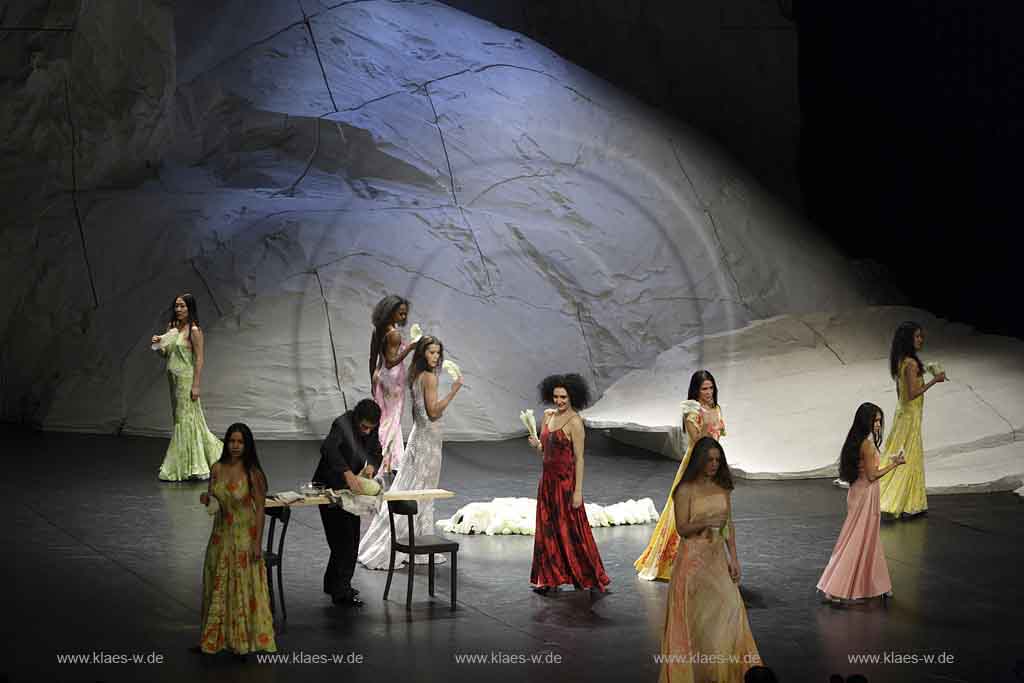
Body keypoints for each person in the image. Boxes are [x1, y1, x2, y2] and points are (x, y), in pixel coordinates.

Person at [659, 437, 761, 683]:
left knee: (730, 613)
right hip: (692, 564)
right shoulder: (684, 490)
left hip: (717, 562)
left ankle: (727, 673)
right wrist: (705, 522)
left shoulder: (722, 487)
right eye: (709, 460)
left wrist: (733, 558)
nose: (714, 464)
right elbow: (682, 528)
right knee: (695, 624)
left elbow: (728, 526)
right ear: (699, 461)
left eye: (717, 459)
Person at [358, 335, 462, 569]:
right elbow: (434, 412)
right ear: (423, 353)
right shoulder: (429, 378)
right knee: (423, 490)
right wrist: (454, 391)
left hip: (419, 436)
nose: (435, 357)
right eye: (431, 352)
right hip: (428, 440)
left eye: (438, 353)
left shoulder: (414, 375)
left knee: (410, 487)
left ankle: (415, 539)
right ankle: (419, 544)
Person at [636, 370, 726, 580]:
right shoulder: (692, 412)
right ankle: (678, 560)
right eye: (704, 388)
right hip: (695, 464)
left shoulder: (717, 408)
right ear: (696, 390)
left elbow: (717, 438)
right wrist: (698, 417)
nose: (708, 392)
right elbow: (698, 441)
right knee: (688, 511)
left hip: (713, 462)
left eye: (711, 387)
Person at [198, 424, 276, 655]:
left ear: (247, 445)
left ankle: (244, 639)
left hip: (244, 537)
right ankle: (216, 637)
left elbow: (260, 509)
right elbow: (214, 500)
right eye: (232, 441)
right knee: (218, 586)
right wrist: (207, 498)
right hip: (220, 538)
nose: (235, 446)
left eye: (240, 442)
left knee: (242, 588)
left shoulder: (253, 474)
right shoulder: (217, 468)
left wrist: (257, 543)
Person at [527, 373, 610, 594]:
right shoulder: (547, 416)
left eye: (563, 396)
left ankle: (588, 575)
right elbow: (546, 452)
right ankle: (549, 577)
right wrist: (537, 444)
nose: (559, 401)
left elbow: (579, 458)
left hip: (565, 484)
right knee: (547, 530)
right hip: (547, 482)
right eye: (556, 396)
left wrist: (578, 491)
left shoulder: (575, 422)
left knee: (572, 531)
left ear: (572, 396)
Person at [817, 403, 905, 603]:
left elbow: (865, 470)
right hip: (866, 496)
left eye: (879, 420)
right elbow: (873, 475)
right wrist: (895, 464)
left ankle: (881, 585)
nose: (878, 424)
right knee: (858, 541)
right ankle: (834, 588)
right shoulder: (867, 444)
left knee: (867, 540)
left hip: (858, 492)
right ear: (866, 421)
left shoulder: (856, 441)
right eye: (875, 420)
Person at [314, 399, 384, 606]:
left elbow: (375, 451)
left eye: (370, 429)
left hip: (349, 490)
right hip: (329, 484)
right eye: (363, 427)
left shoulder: (371, 428)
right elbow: (328, 449)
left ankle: (334, 584)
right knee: (342, 541)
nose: (366, 432)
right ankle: (341, 592)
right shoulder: (342, 424)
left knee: (351, 538)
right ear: (355, 420)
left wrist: (371, 466)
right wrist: (346, 472)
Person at [878, 321, 945, 517]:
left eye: (921, 336)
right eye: (917, 336)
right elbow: (913, 393)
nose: (920, 340)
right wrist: (934, 380)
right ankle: (899, 500)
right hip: (910, 415)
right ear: (908, 339)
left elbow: (900, 391)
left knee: (898, 451)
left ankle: (908, 500)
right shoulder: (911, 363)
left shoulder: (901, 360)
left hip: (903, 413)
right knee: (909, 455)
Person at [153, 294, 222, 481]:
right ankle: (192, 460)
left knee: (184, 420)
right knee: (183, 419)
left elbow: (199, 359)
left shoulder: (194, 331)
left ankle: (184, 465)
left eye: (182, 306)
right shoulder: (172, 329)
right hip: (173, 379)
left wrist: (196, 385)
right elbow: (166, 354)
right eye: (176, 306)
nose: (178, 309)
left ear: (190, 308)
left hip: (186, 379)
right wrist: (159, 344)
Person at [369, 295, 414, 474]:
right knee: (391, 419)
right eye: (401, 313)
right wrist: (410, 348)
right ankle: (387, 460)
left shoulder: (378, 330)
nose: (404, 317)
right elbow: (391, 361)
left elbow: (373, 357)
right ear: (391, 312)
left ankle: (390, 461)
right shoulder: (393, 334)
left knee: (386, 418)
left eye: (405, 314)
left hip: (380, 376)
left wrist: (373, 379)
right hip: (392, 379)